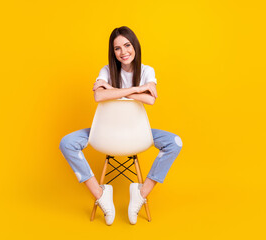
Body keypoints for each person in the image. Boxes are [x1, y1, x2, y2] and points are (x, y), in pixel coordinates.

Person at [59, 26, 183, 225]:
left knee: (174, 142)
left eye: (127, 45)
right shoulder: (107, 70)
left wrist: (114, 90)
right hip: (105, 132)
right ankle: (100, 195)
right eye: (117, 48)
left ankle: (141, 193)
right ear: (113, 52)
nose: (123, 52)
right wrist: (137, 89)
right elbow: (99, 95)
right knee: (67, 143)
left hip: (137, 132)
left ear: (135, 46)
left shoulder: (147, 70)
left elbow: (151, 100)